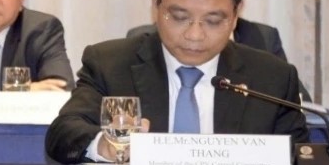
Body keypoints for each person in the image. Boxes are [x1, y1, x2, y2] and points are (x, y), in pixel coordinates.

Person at [46, 0, 309, 164]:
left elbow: (299, 162)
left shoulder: (271, 79)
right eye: (180, 17)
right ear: (156, 2)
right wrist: (105, 144)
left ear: (236, 13)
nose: (194, 35)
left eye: (213, 21)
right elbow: (63, 133)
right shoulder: (110, 64)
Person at [128, 17, 311, 102]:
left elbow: (300, 102)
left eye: (213, 20)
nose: (195, 36)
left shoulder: (260, 37)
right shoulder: (146, 39)